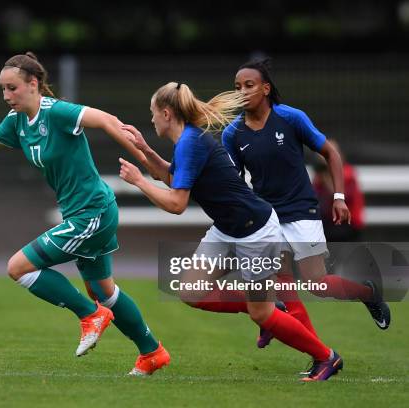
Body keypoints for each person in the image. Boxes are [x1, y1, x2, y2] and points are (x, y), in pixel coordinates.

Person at [0, 52, 169, 376]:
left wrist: (149, 162)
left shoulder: (58, 113)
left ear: (34, 84)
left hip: (92, 212)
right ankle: (152, 353)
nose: (6, 96)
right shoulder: (17, 122)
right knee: (102, 291)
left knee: (18, 267)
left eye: (12, 88)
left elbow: (107, 120)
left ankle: (89, 315)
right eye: (3, 90)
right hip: (82, 213)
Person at [118, 81, 343, 381]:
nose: (151, 119)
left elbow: (176, 204)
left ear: (167, 113)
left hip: (256, 232)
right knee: (190, 291)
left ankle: (327, 358)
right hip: (227, 230)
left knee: (259, 314)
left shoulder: (190, 142)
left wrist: (140, 182)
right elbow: (171, 178)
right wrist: (143, 148)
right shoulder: (188, 141)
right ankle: (270, 304)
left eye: (152, 113)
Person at [222, 57, 390, 349]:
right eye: (237, 87)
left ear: (265, 88)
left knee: (318, 284)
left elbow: (331, 154)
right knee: (283, 285)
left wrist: (339, 197)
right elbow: (233, 181)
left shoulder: (290, 118)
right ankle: (319, 353)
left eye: (249, 85)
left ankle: (368, 293)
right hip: (267, 218)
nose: (242, 91)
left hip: (301, 212)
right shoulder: (232, 134)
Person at [312, 139, 365, 242]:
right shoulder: (319, 177)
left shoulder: (348, 173)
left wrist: (327, 177)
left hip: (347, 225)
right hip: (327, 225)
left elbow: (346, 198)